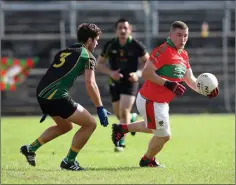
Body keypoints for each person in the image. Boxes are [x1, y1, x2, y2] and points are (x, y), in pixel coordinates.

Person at [111, 21, 219, 167]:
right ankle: (147, 159)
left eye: (185, 36)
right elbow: (146, 73)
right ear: (170, 35)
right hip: (150, 100)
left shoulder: (183, 55)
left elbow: (191, 80)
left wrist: (205, 90)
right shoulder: (163, 50)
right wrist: (169, 84)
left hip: (161, 103)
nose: (183, 39)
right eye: (179, 35)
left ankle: (122, 128)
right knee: (164, 135)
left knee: (153, 127)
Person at [20, 23, 111, 171]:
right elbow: (91, 83)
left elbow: (53, 74)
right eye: (96, 40)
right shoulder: (88, 56)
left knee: (65, 126)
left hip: (42, 92)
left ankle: (31, 148)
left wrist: (46, 103)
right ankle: (69, 161)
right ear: (89, 40)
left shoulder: (65, 50)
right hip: (55, 95)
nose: (97, 43)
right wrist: (100, 107)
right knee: (90, 124)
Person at [96, 18, 149, 152]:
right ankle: (132, 118)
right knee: (119, 114)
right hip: (115, 82)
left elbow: (148, 63)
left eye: (125, 28)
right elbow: (99, 64)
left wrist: (138, 73)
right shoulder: (110, 45)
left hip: (130, 82)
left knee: (124, 111)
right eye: (120, 28)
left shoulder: (137, 45)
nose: (123, 30)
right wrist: (111, 73)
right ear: (116, 30)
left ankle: (121, 141)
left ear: (130, 29)